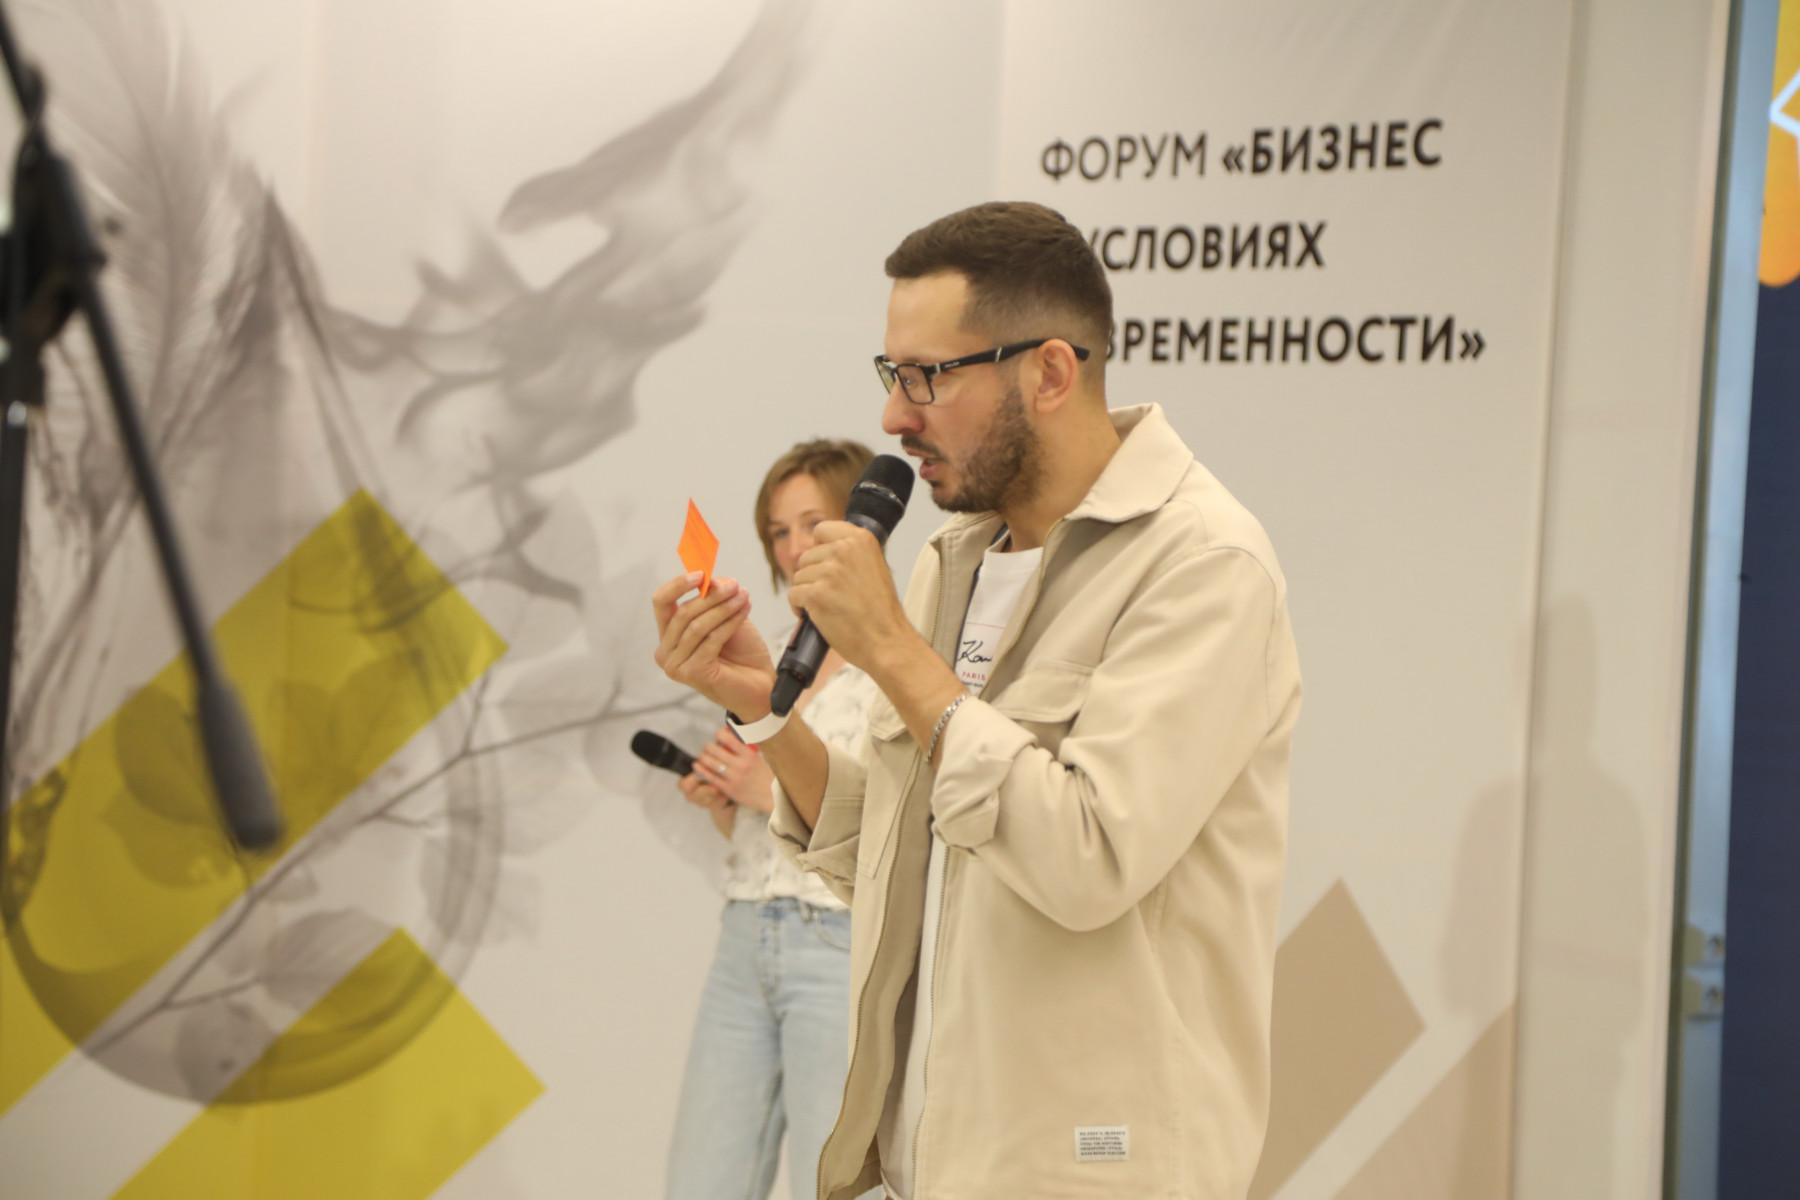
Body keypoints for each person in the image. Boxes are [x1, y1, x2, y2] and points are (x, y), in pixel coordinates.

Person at [652, 201, 1301, 1199]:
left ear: (1050, 372)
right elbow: (894, 851)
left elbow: (1087, 857)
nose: (893, 416)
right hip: (939, 1164)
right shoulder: (952, 559)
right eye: (891, 373)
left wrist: (894, 652)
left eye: (928, 376)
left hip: (1093, 1175)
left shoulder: (1201, 562)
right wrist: (765, 712)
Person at [663, 440, 883, 1200]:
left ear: (860, 526)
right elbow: (766, 834)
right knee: (701, 1181)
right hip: (745, 934)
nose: (792, 548)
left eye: (811, 524)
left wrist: (771, 790)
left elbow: (906, 833)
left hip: (837, 943)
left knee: (835, 1184)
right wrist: (730, 803)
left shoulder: (900, 658)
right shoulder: (774, 657)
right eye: (777, 532)